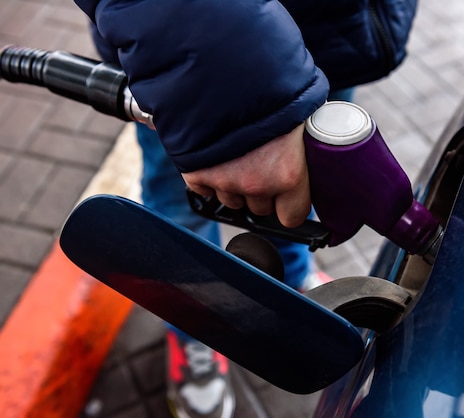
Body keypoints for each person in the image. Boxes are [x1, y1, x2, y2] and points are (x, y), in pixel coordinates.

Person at [76, 1, 418, 417]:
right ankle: (197, 328)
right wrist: (224, 92)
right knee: (179, 203)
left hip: (335, 34)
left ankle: (294, 283)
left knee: (296, 193)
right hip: (184, 72)